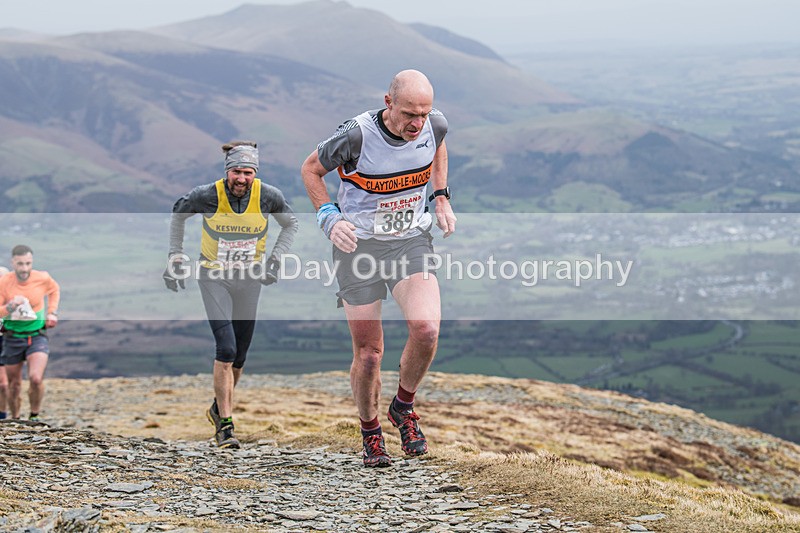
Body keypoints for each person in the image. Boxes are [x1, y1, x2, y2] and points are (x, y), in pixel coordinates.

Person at [300, 69, 457, 467]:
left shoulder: (432, 124)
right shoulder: (356, 135)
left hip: (409, 241)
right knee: (369, 354)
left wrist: (440, 196)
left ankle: (403, 407)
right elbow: (310, 169)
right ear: (388, 103)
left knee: (426, 328)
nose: (417, 124)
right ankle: (371, 432)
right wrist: (329, 217)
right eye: (408, 114)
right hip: (359, 247)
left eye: (423, 113)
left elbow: (437, 144)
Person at [164, 140, 298, 449]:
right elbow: (178, 214)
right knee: (225, 349)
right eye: (237, 171)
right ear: (228, 171)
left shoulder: (268, 196)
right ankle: (226, 425)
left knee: (239, 356)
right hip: (214, 278)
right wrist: (175, 255)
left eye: (248, 172)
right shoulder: (207, 195)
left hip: (249, 279)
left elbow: (290, 224)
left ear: (255, 173)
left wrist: (275, 259)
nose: (242, 179)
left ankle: (217, 407)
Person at [0, 245, 60, 421]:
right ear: (13, 263)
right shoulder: (4, 282)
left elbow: (54, 290)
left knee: (35, 378)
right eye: (20, 264)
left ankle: (34, 416)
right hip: (12, 337)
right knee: (14, 385)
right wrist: (10, 306)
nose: (24, 268)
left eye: (28, 263)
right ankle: (16, 419)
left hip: (36, 335)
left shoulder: (42, 278)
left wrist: (52, 312)